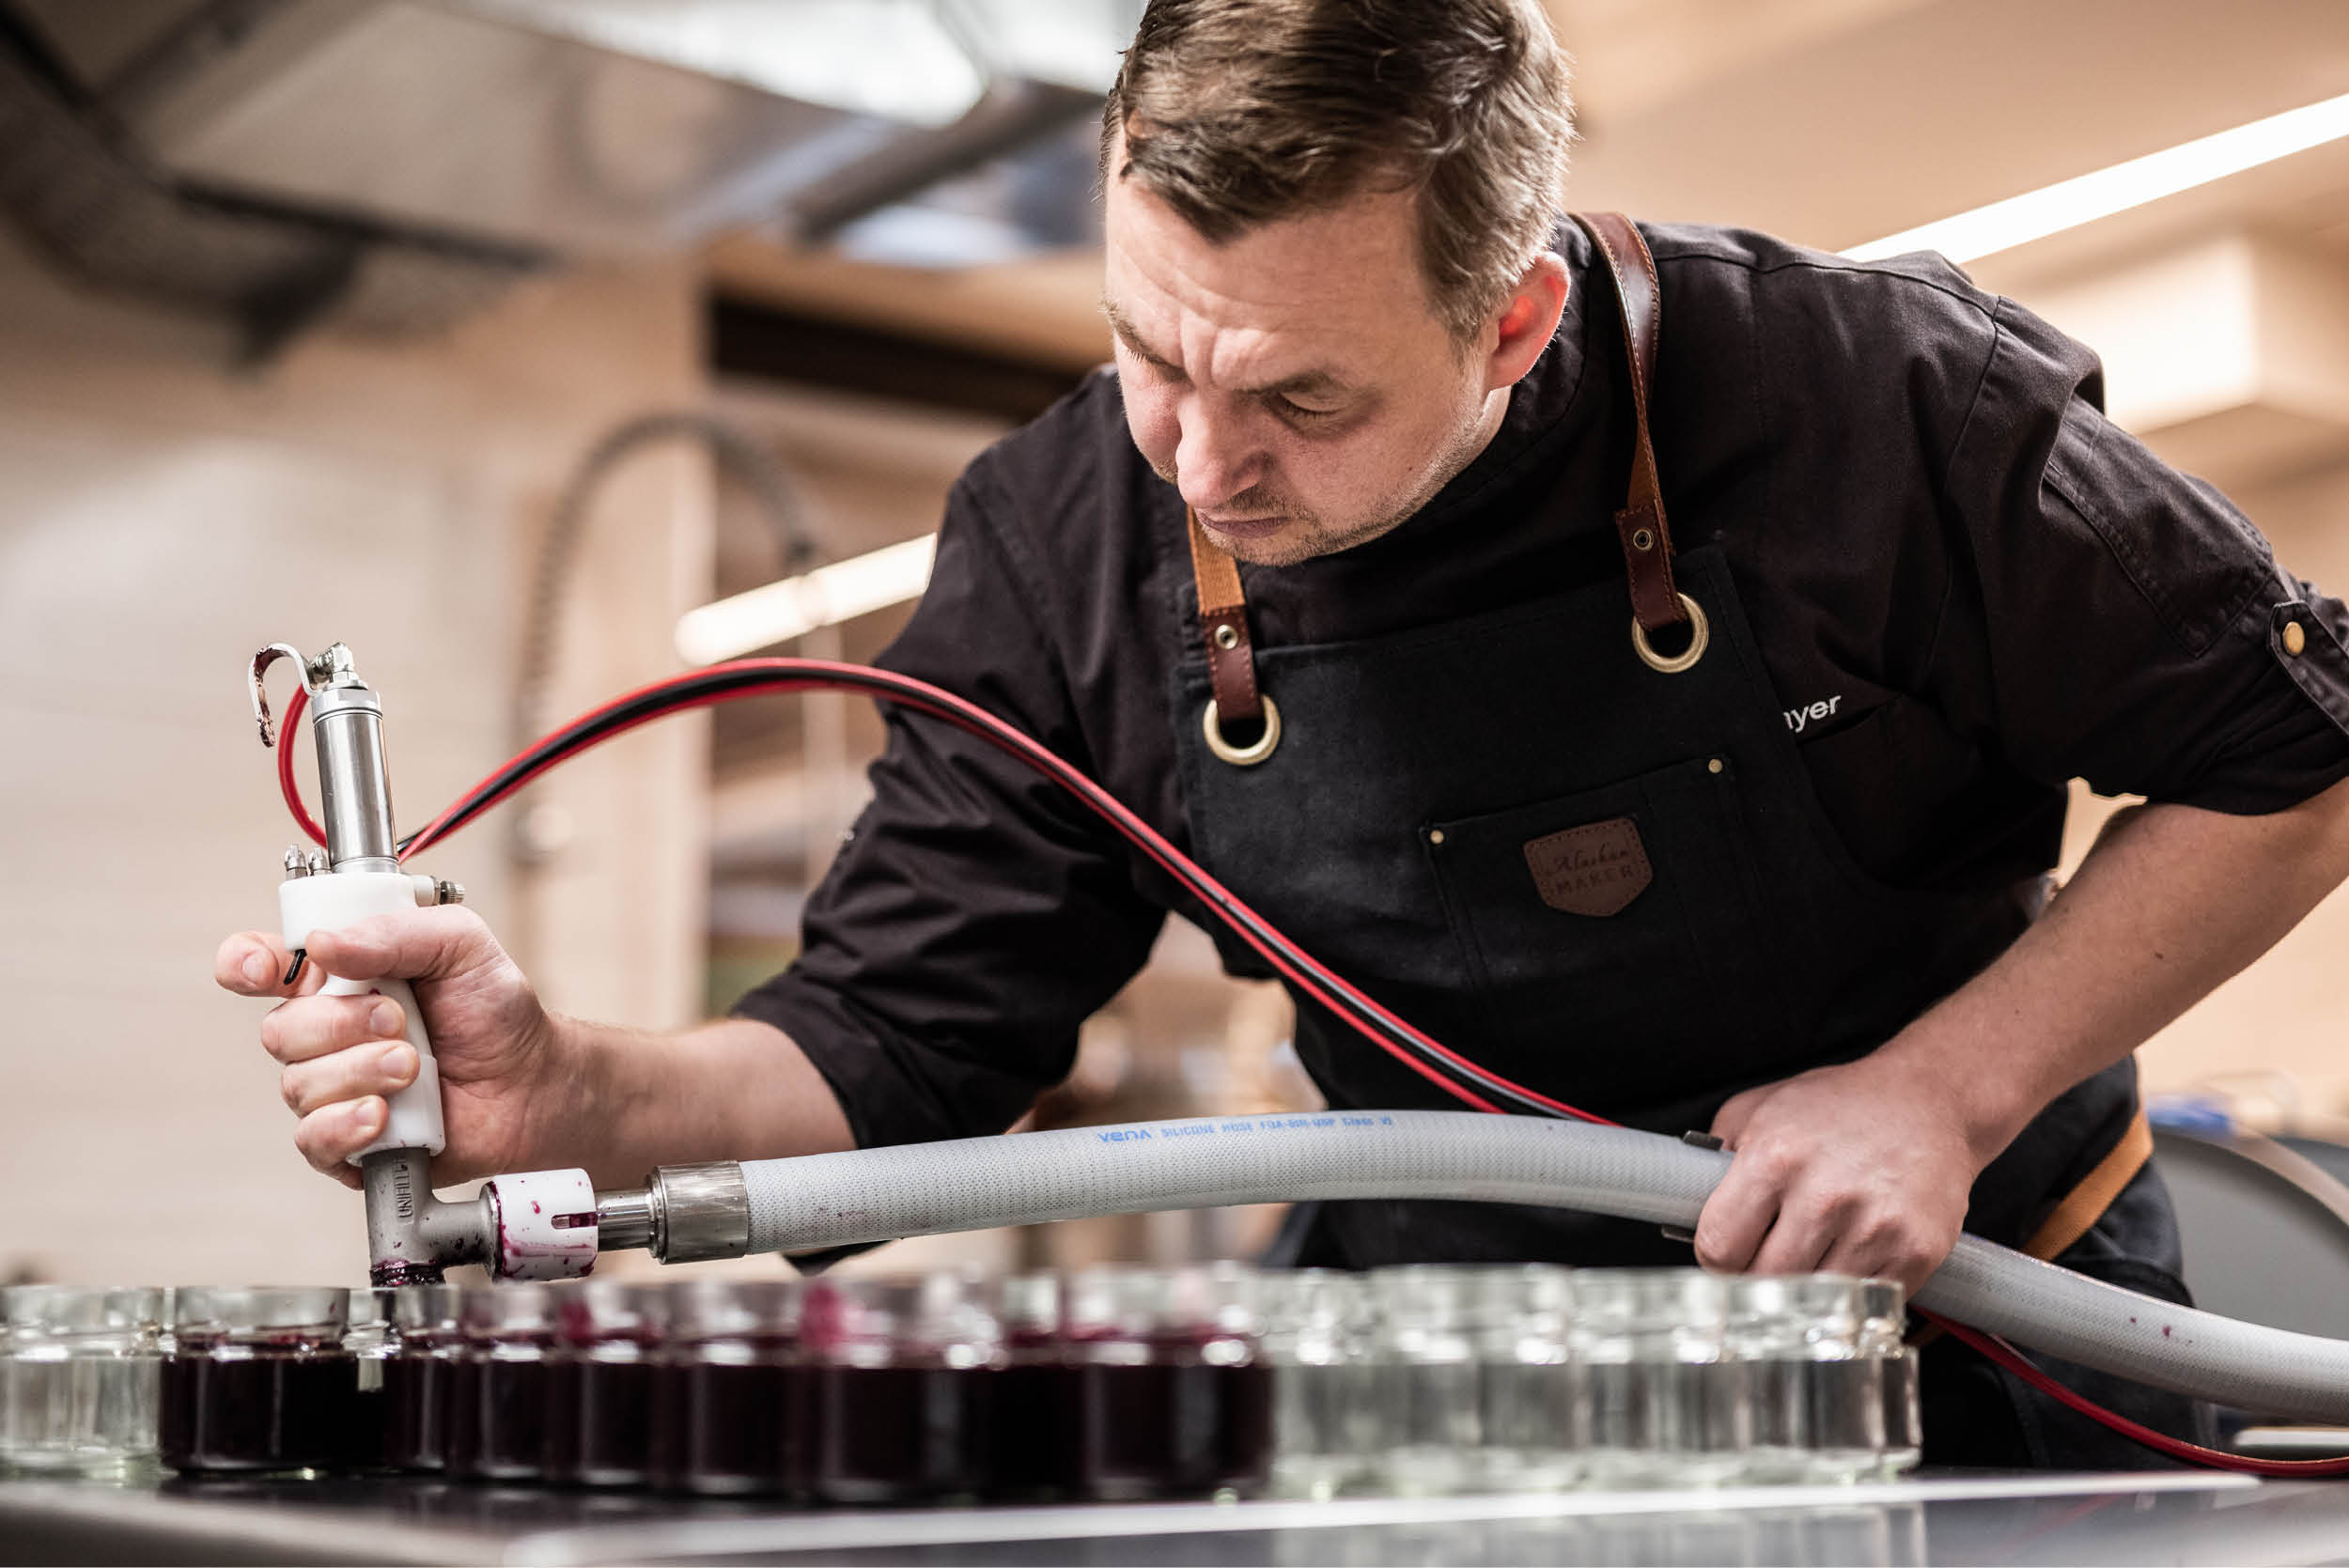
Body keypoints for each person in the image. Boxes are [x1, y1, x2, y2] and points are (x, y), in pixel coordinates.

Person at [216, 0, 2349, 1467]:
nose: (1199, 463)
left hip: (1980, 1334)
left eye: (1300, 400)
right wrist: (560, 1087)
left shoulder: (1875, 404)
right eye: (1149, 352)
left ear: (1507, 319)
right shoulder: (1063, 537)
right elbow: (883, 1054)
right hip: (1433, 1371)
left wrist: (1937, 1088)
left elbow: (2294, 749)